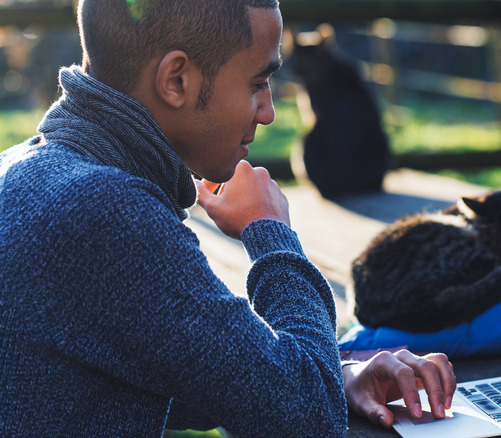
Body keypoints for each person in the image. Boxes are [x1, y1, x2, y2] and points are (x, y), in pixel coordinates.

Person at [0, 0, 454, 436]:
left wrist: (335, 374)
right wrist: (271, 234)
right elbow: (306, 420)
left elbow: (181, 374)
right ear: (176, 80)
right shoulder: (106, 209)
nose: (269, 112)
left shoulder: (22, 171)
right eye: (258, 83)